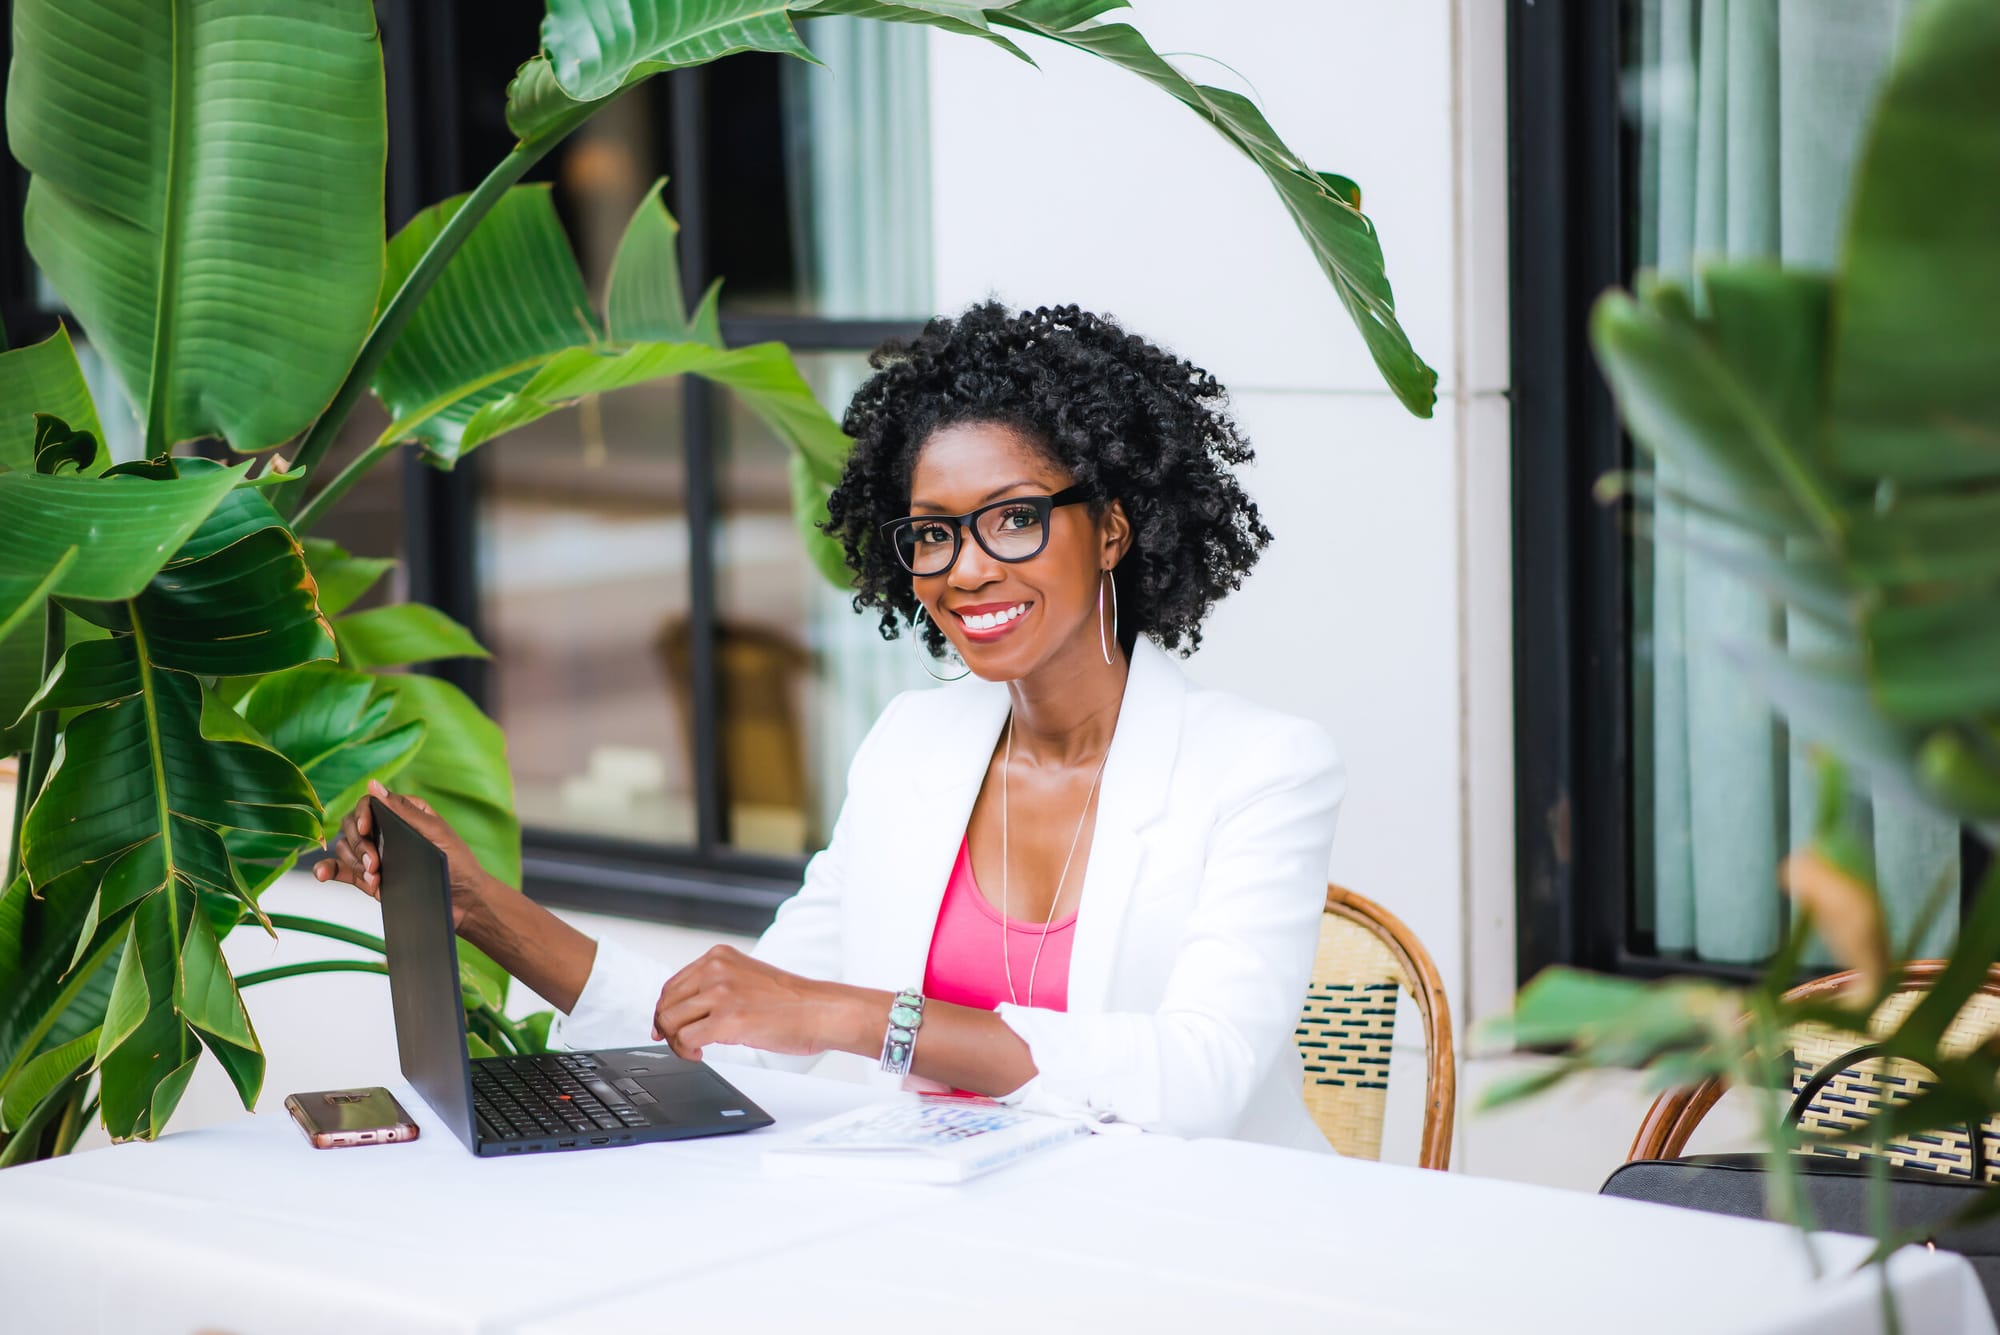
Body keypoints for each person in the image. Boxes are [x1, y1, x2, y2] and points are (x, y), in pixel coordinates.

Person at [318, 301, 1345, 1150]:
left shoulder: (1259, 769)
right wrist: (486, 910)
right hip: (949, 1247)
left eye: (1015, 517)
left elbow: (1196, 1077)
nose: (968, 567)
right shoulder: (915, 747)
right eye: (932, 534)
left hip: (1183, 1253)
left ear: (1112, 526)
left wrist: (863, 1019)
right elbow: (750, 1027)